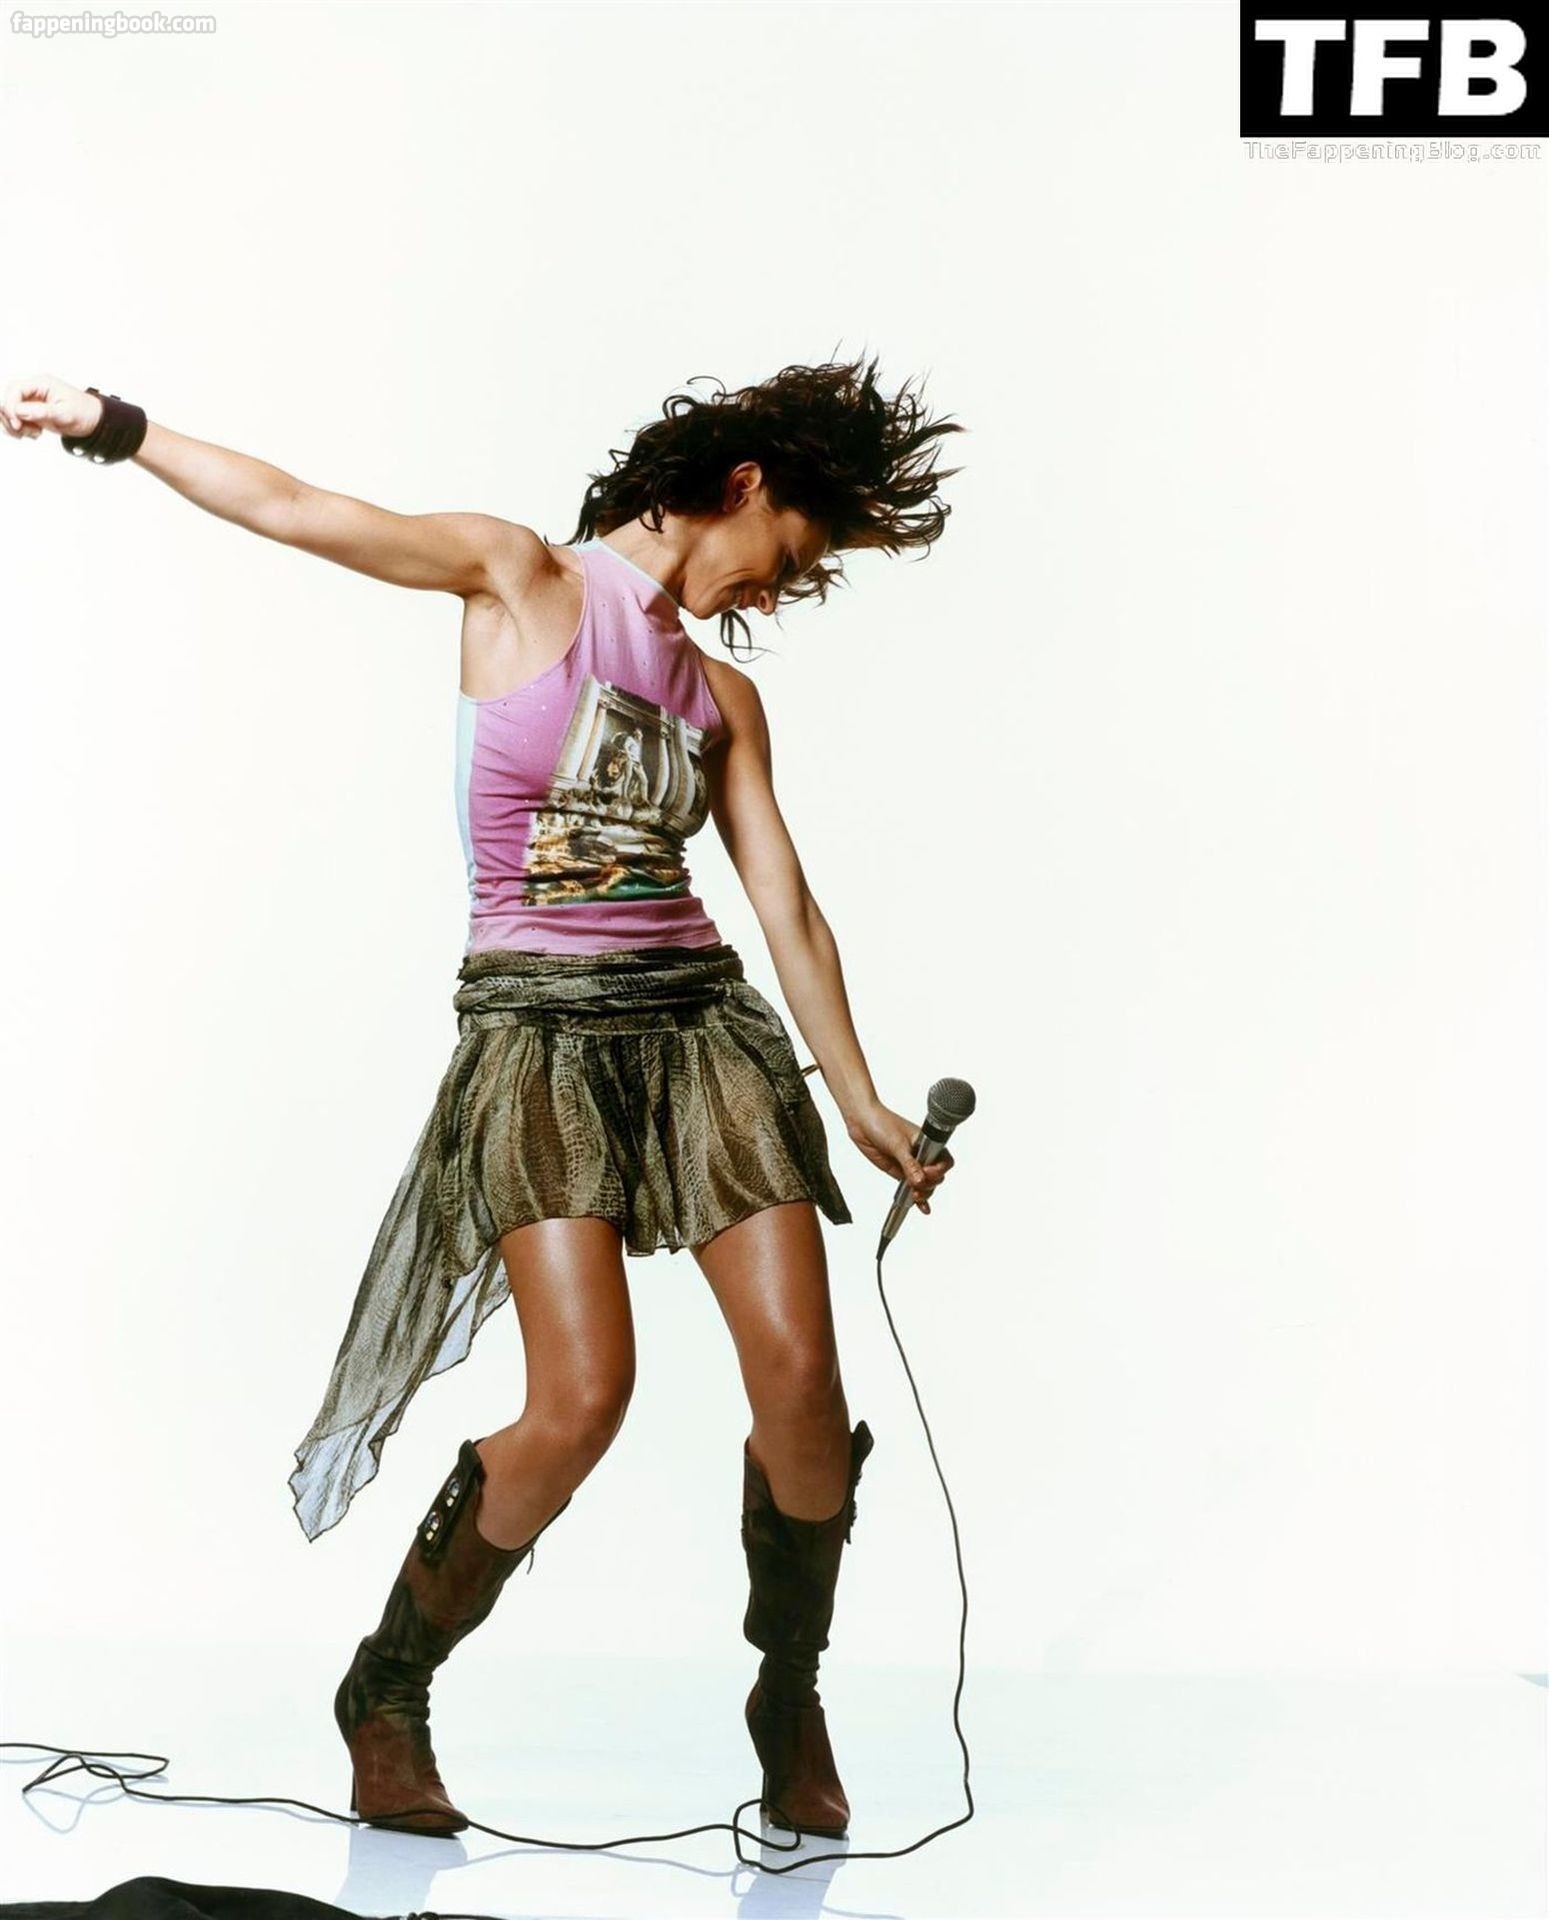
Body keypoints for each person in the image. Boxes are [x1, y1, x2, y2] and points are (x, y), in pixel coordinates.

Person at [1, 355, 964, 1842]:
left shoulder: (726, 698)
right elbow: (302, 509)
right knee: (581, 1401)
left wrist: (860, 1099)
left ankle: (789, 1689)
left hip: (702, 1032)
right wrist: (114, 430)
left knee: (804, 1396)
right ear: (744, 486)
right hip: (536, 1037)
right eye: (793, 549)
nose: (783, 587)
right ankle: (388, 1689)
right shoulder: (519, 580)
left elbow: (786, 908)